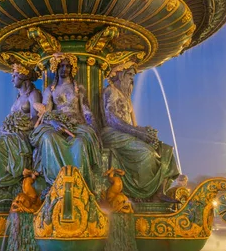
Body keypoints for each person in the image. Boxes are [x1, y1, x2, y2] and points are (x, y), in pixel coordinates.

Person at [101, 62, 179, 202]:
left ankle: (159, 192)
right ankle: (141, 191)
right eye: (129, 75)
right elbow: (111, 119)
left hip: (127, 133)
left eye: (133, 75)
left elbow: (134, 125)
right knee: (147, 154)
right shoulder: (111, 91)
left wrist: (145, 132)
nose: (132, 79)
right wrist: (137, 132)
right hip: (112, 133)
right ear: (120, 74)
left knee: (165, 150)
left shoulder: (127, 100)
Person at [30, 53, 101, 191]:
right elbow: (46, 113)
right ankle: (55, 184)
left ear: (72, 69)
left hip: (77, 125)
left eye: (68, 66)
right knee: (47, 138)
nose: (65, 69)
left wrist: (94, 127)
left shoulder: (78, 88)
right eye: (62, 66)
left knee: (80, 143)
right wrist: (55, 123)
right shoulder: (50, 90)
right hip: (56, 124)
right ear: (56, 68)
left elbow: (86, 110)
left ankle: (79, 186)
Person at [0, 64, 42, 192]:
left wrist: (17, 127)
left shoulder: (33, 94)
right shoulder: (18, 97)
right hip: (12, 135)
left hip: (24, 136)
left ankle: (3, 186)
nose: (12, 79)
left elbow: (37, 120)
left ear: (23, 76)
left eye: (14, 76)